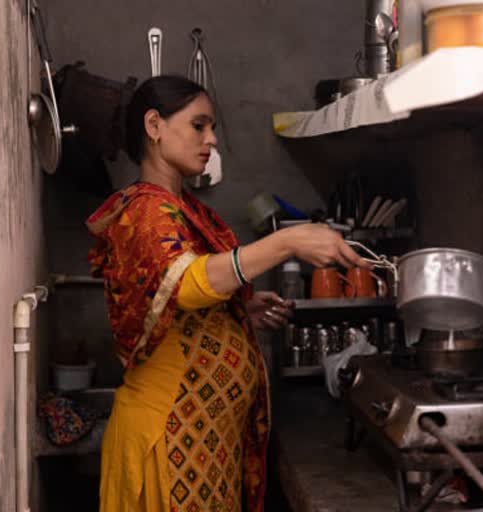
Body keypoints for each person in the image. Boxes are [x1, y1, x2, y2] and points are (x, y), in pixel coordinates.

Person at [87, 75, 368, 512]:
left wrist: (235, 310)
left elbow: (181, 296)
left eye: (211, 126)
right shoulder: (145, 211)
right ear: (154, 125)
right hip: (167, 435)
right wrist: (287, 243)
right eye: (199, 125)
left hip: (201, 438)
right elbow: (184, 282)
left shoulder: (184, 209)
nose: (212, 139)